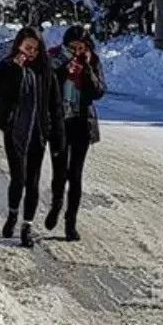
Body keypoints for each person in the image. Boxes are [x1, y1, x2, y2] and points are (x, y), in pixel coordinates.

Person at [0, 27, 64, 248]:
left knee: (33, 181)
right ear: (18, 47)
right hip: (15, 132)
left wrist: (58, 134)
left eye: (35, 48)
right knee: (18, 178)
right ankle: (13, 214)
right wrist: (16, 70)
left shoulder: (45, 70)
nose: (31, 53)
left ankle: (27, 226)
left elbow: (55, 104)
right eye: (27, 48)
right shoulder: (6, 67)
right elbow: (2, 95)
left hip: (38, 132)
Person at [46, 26, 106, 242]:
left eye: (81, 47)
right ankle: (56, 205)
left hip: (82, 122)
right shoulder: (53, 58)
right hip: (59, 123)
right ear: (65, 45)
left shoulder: (93, 61)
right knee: (59, 172)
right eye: (73, 47)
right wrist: (64, 68)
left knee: (76, 175)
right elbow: (47, 84)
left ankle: (71, 223)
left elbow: (98, 91)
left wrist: (87, 68)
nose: (77, 51)